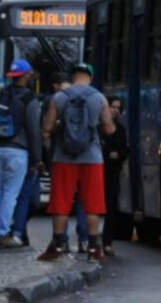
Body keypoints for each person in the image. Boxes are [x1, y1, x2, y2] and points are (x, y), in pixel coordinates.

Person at [38, 63, 115, 263]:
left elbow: (46, 129)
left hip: (63, 158)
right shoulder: (99, 97)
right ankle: (93, 249)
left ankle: (56, 245)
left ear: (72, 77)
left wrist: (58, 127)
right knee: (92, 204)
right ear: (90, 76)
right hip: (92, 158)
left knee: (61, 203)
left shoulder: (60, 97)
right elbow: (108, 129)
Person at [0, 60, 40, 249]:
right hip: (17, 151)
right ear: (25, 77)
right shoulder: (29, 99)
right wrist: (37, 158)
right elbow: (34, 130)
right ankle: (2, 232)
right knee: (10, 194)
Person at [101, 96, 129, 255]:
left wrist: (118, 155)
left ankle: (107, 242)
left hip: (112, 173)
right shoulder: (98, 127)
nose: (115, 110)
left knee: (111, 208)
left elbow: (125, 149)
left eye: (118, 108)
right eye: (113, 107)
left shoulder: (121, 129)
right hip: (98, 171)